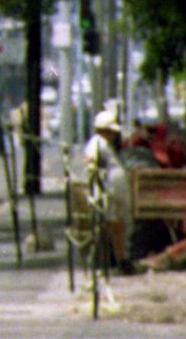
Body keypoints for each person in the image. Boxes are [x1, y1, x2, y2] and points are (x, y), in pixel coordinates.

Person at [82, 104, 132, 269]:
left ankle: (120, 258)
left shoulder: (104, 144)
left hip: (115, 189)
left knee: (117, 224)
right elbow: (90, 162)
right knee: (107, 225)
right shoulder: (96, 143)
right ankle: (101, 259)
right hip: (109, 189)